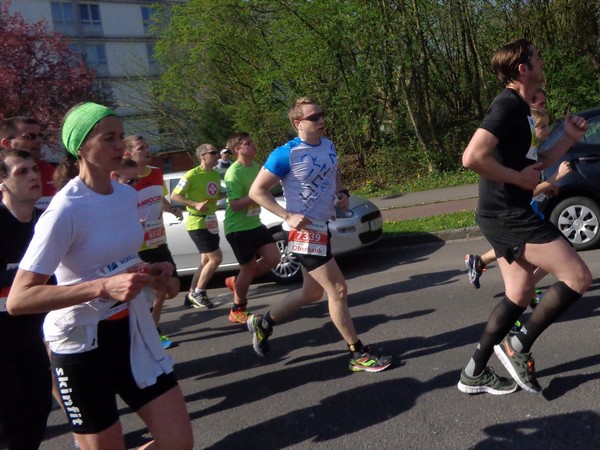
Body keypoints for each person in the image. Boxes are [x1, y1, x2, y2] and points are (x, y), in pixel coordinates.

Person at [6, 102, 193, 449]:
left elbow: (117, 259)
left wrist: (149, 272)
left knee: (178, 442)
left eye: (121, 136)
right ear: (80, 148)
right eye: (108, 138)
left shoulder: (126, 196)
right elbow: (20, 299)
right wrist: (103, 286)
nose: (120, 145)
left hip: (132, 332)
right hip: (80, 345)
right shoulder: (65, 210)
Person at [457, 39, 591, 396]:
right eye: (538, 58)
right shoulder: (506, 105)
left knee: (519, 292)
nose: (542, 62)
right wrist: (517, 179)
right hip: (508, 213)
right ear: (523, 68)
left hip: (501, 212)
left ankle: (473, 372)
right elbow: (472, 157)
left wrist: (570, 137)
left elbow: (538, 161)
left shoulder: (521, 110)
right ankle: (518, 346)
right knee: (578, 277)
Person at [247, 96, 392, 372]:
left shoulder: (327, 145)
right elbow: (257, 191)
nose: (321, 120)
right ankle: (357, 353)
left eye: (322, 115)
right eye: (314, 117)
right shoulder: (285, 154)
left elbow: (334, 172)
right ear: (297, 123)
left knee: (311, 293)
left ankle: (263, 322)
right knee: (338, 289)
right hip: (304, 233)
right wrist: (287, 215)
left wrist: (342, 193)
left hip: (322, 227)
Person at [464, 107, 571, 291]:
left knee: (529, 258)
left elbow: (531, 187)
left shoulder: (532, 152)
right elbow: (526, 190)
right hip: (516, 217)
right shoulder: (520, 154)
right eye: (542, 126)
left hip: (527, 214)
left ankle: (521, 290)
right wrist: (557, 177)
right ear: (531, 128)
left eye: (547, 126)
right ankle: (526, 292)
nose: (547, 131)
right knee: (559, 252)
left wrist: (548, 188)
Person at [0, 150, 52, 449]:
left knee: (38, 409)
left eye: (34, 169)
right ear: (2, 183)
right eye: (22, 171)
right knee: (11, 419)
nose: (34, 175)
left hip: (31, 335)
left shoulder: (46, 224)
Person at [123, 135, 182, 349]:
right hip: (138, 246)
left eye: (147, 146)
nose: (147, 150)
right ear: (129, 154)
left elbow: (159, 197)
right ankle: (152, 331)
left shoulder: (156, 173)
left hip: (158, 240)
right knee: (155, 289)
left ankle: (146, 327)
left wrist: (171, 209)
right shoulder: (123, 179)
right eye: (141, 148)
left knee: (172, 288)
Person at [223, 132, 279, 323]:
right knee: (247, 269)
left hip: (255, 223)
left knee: (273, 258)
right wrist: (256, 195)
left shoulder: (256, 167)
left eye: (252, 141)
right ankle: (237, 309)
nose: (253, 145)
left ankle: (237, 281)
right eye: (248, 143)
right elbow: (234, 205)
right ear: (237, 149)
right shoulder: (234, 172)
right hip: (237, 228)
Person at [171, 143, 224, 309]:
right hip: (197, 223)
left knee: (205, 260)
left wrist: (229, 194)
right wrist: (195, 204)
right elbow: (175, 195)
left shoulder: (214, 174)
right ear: (203, 156)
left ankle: (190, 295)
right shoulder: (191, 175)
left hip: (211, 221)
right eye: (213, 153)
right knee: (216, 258)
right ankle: (199, 293)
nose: (217, 156)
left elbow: (215, 194)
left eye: (217, 152)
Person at [0, 116, 56, 208]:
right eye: (30, 137)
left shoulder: (53, 173)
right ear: (7, 143)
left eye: (40, 136)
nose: (39, 141)